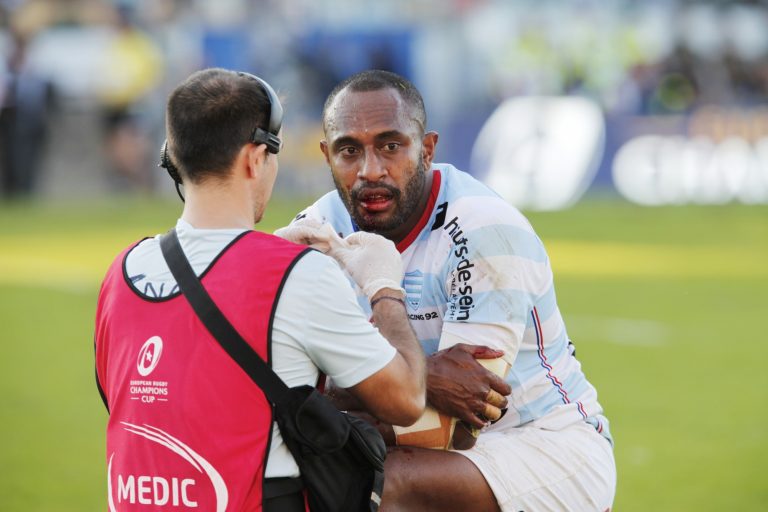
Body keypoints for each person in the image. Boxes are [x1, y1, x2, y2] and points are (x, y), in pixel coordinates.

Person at [276, 70, 616, 512]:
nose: (370, 170)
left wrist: (332, 392)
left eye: (390, 146)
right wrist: (415, 378)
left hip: (543, 443)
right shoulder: (316, 231)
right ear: (326, 155)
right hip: (418, 449)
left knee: (374, 481)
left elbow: (455, 427)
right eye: (349, 150)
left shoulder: (486, 230)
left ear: (427, 149)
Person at [93, 68, 426, 512]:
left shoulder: (121, 272)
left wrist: (262, 256)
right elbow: (405, 398)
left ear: (175, 159)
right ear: (254, 159)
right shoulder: (296, 275)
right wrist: (384, 284)